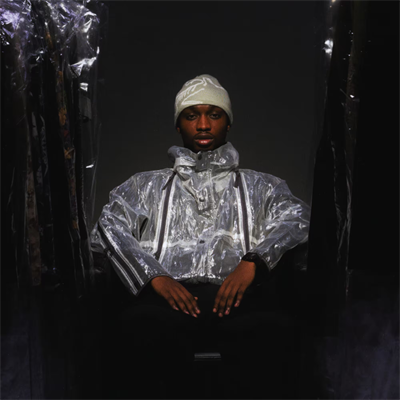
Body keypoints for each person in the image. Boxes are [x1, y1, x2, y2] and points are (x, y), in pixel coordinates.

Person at [91, 74, 310, 399]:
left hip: (243, 301)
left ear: (228, 123)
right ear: (178, 125)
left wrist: (254, 262)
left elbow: (298, 218)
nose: (204, 125)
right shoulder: (144, 185)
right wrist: (154, 276)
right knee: (139, 328)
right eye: (192, 115)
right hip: (164, 304)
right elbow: (108, 227)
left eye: (215, 114)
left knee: (273, 333)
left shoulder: (263, 186)